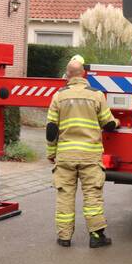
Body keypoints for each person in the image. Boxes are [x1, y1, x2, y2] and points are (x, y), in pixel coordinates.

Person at [46, 58, 118, 248]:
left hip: (65, 155)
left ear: (68, 75)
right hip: (89, 156)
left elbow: (51, 129)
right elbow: (108, 123)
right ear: (84, 74)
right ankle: (96, 237)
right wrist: (117, 122)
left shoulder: (58, 96)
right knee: (92, 195)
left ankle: (64, 237)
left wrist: (51, 153)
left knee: (64, 195)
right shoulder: (96, 95)